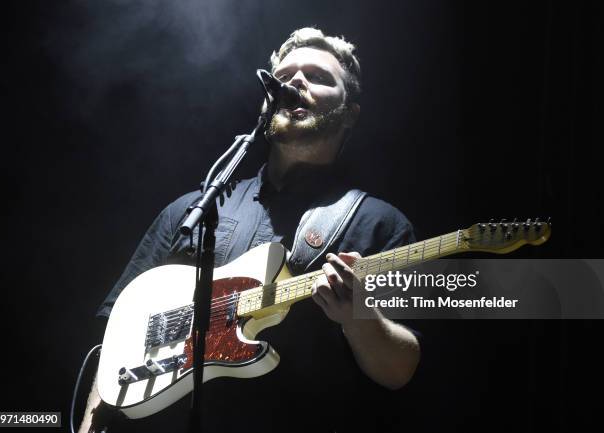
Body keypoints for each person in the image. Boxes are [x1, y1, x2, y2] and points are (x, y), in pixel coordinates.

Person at [80, 27, 421, 433]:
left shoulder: (380, 224)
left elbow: (400, 370)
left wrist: (359, 319)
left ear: (350, 113)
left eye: (318, 76)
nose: (296, 82)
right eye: (287, 74)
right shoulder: (192, 209)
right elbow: (116, 337)